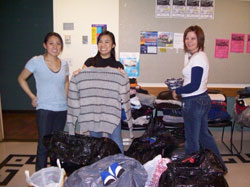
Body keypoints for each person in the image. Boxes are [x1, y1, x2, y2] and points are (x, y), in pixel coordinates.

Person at [172, 25, 227, 171]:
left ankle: (192, 172)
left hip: (194, 101)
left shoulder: (198, 58)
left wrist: (178, 90)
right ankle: (219, 166)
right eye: (187, 38)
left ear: (200, 39)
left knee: (192, 140)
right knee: (204, 136)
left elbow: (194, 85)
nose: (189, 41)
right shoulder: (194, 56)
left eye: (193, 38)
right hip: (201, 100)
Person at [72, 31, 130, 154]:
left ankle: (121, 167)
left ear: (113, 45)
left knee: (116, 141)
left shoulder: (117, 65)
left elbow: (123, 89)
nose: (103, 45)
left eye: (107, 41)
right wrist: (77, 74)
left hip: (111, 111)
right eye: (100, 42)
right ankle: (97, 169)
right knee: (95, 142)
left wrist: (124, 77)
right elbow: (83, 84)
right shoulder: (89, 63)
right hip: (93, 110)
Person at [18, 32, 69, 171]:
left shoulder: (64, 63)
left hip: (61, 109)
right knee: (43, 145)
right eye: (51, 43)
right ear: (45, 45)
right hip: (45, 109)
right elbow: (21, 78)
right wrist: (32, 97)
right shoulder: (36, 61)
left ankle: (54, 175)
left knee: (56, 145)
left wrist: (65, 98)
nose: (55, 46)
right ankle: (39, 178)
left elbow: (66, 82)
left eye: (58, 44)